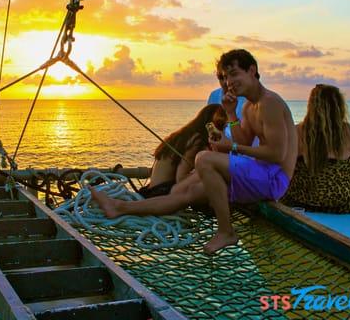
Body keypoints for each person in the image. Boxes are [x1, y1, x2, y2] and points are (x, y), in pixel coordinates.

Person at [91, 49, 297, 255]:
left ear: (252, 70)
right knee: (182, 192)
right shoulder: (248, 107)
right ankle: (118, 207)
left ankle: (226, 231)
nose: (229, 82)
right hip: (256, 174)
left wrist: (230, 148)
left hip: (274, 180)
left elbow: (277, 154)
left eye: (234, 74)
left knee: (204, 159)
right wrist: (230, 112)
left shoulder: (270, 102)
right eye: (225, 77)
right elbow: (243, 139)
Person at [281, 84, 350, 213]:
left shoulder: (298, 131)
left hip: (302, 199)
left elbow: (287, 164)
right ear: (338, 107)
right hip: (344, 203)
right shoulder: (347, 131)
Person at [139, 104, 226, 199]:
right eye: (222, 126)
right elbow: (181, 179)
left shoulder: (184, 134)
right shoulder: (196, 140)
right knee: (210, 171)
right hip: (160, 193)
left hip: (150, 190)